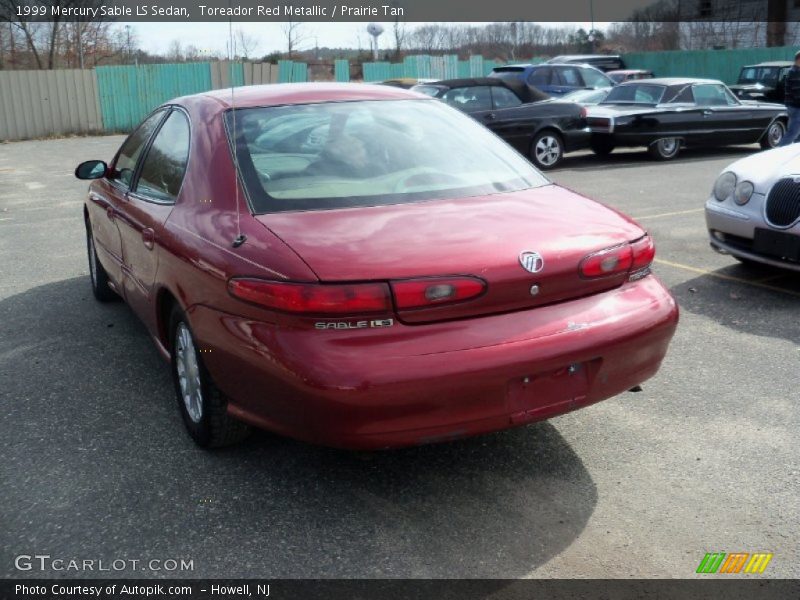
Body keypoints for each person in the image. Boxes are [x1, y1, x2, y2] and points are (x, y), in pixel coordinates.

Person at [779, 51, 800, 146]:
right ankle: (779, 152)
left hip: (793, 106)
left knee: (796, 134)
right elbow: (798, 93)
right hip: (797, 107)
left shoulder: (792, 71)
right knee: (792, 133)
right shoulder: (795, 72)